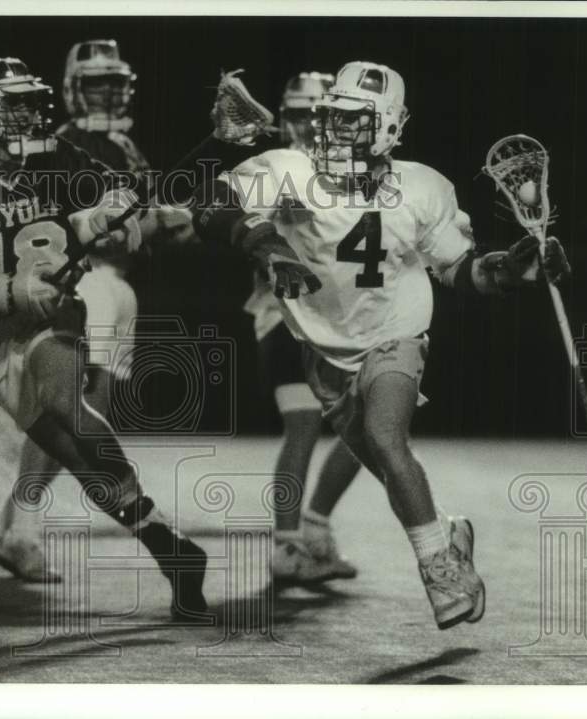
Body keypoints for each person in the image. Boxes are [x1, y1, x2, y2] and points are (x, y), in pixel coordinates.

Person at [191, 60, 571, 629]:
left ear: (391, 127)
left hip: (396, 334)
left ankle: (440, 571)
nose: (339, 131)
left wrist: (514, 269)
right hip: (324, 352)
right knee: (382, 460)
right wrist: (264, 239)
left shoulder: (420, 186)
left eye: (355, 120)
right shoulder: (291, 168)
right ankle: (447, 530)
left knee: (384, 436)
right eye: (335, 117)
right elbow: (208, 207)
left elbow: (465, 271)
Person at [0, 57, 207, 621]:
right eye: (13, 104)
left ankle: (167, 551)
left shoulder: (59, 158)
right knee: (72, 453)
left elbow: (119, 194)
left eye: (30, 102)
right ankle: (170, 547)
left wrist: (107, 213)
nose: (28, 115)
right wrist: (5, 291)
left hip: (56, 316)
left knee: (67, 405)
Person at [247, 71, 361, 586]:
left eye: (317, 117)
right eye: (297, 116)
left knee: (369, 428)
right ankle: (289, 543)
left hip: (339, 321)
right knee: (304, 427)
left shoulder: (355, 171)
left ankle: (311, 531)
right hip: (286, 316)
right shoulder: (278, 169)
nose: (307, 127)